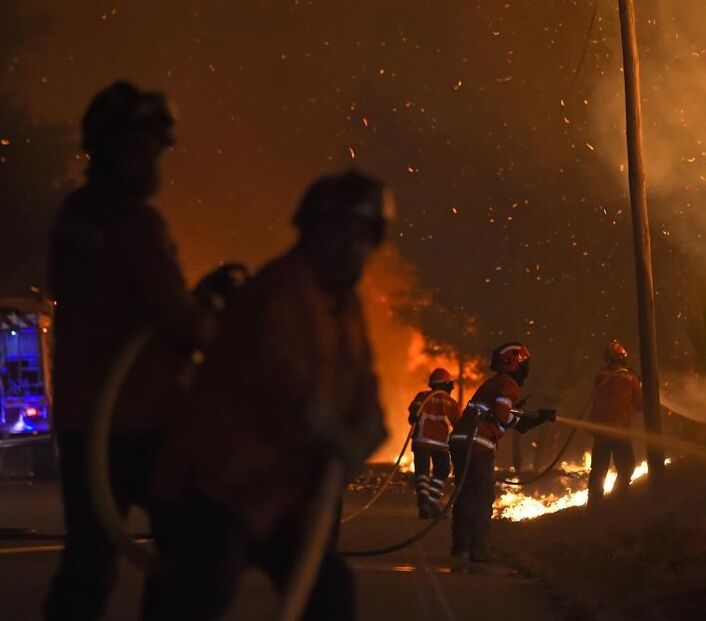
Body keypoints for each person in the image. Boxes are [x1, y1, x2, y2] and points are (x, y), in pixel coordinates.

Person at [140, 170, 390, 621]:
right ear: (311, 230)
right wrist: (328, 429)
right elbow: (273, 379)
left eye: (364, 236)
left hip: (276, 493)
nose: (353, 247)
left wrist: (371, 422)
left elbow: (362, 380)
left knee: (329, 591)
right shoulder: (277, 291)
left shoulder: (343, 305)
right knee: (199, 594)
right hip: (216, 486)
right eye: (341, 232)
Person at [44, 81, 212, 621]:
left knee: (87, 564)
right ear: (117, 149)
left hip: (81, 420)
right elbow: (180, 324)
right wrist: (213, 318)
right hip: (143, 422)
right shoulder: (136, 223)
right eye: (147, 149)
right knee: (186, 556)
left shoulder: (74, 215)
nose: (155, 163)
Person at [448, 343, 554, 562]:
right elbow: (502, 416)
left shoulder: (493, 383)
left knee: (464, 495)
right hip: (477, 444)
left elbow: (504, 416)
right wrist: (530, 418)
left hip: (461, 440)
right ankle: (478, 549)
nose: (527, 370)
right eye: (524, 365)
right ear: (513, 364)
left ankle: (460, 546)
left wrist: (532, 418)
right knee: (482, 496)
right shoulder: (508, 384)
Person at [587, 340, 643, 510]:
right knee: (626, 467)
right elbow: (639, 406)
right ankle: (618, 501)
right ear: (623, 357)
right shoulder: (631, 378)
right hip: (619, 430)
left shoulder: (600, 376)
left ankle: (594, 504)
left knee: (599, 469)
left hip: (601, 430)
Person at [407, 368, 460, 518]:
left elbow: (413, 413)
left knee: (422, 473)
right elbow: (459, 424)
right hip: (440, 445)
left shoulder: (422, 396)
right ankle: (432, 500)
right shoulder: (451, 402)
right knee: (443, 470)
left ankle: (424, 502)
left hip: (421, 443)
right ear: (445, 384)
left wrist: (413, 416)